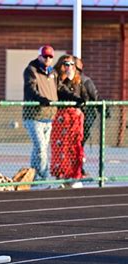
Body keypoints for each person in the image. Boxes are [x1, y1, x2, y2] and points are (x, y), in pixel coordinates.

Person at [51, 54, 88, 186]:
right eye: (66, 64)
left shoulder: (78, 80)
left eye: (72, 65)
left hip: (75, 119)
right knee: (61, 148)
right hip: (61, 118)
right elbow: (61, 92)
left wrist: (80, 104)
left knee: (75, 147)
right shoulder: (56, 78)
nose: (69, 67)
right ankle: (60, 175)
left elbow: (84, 96)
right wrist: (67, 79)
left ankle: (74, 175)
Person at [23, 44, 58, 181]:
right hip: (34, 116)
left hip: (49, 116)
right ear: (39, 56)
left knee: (39, 149)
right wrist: (41, 99)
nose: (48, 59)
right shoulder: (31, 70)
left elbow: (59, 89)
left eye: (50, 57)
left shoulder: (53, 73)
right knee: (41, 148)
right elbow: (31, 89)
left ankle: (34, 174)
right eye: (45, 56)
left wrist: (75, 98)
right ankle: (43, 176)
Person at [74, 56, 101, 148]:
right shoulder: (65, 80)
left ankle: (79, 153)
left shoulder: (86, 81)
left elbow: (95, 96)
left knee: (82, 135)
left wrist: (103, 110)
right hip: (71, 114)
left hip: (86, 112)